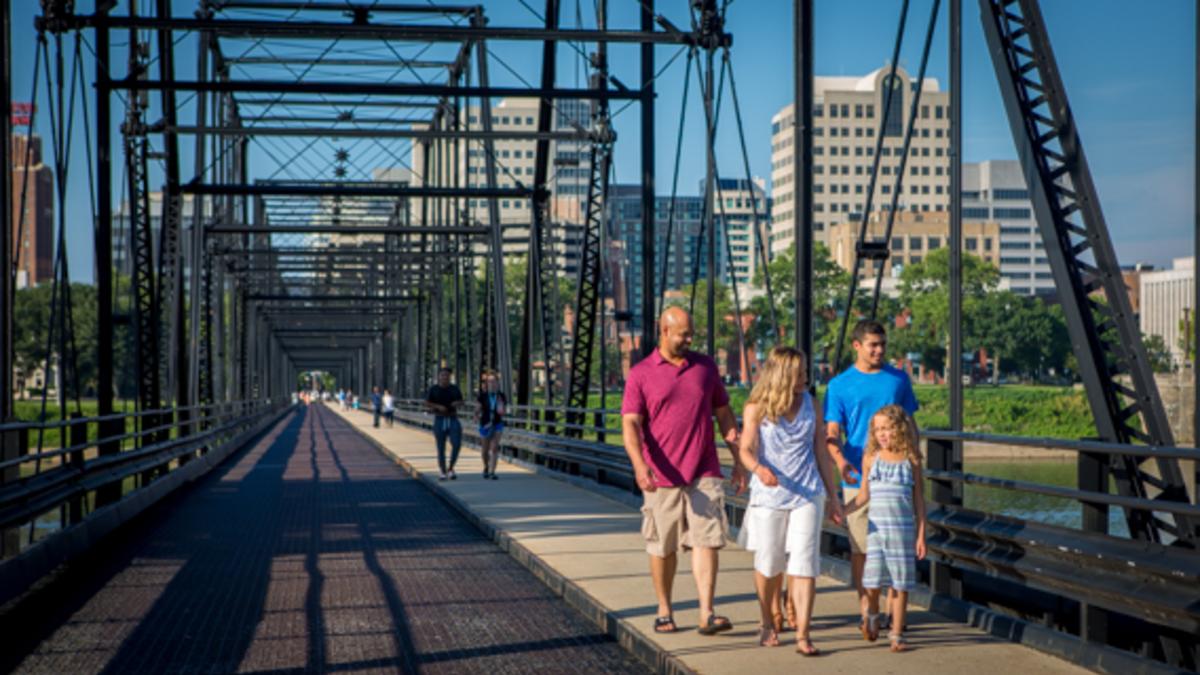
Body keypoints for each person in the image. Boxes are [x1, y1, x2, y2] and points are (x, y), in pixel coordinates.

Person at [621, 306, 745, 637]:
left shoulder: (705, 367)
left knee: (708, 540)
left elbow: (724, 413)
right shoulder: (642, 373)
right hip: (661, 475)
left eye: (691, 333)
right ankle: (665, 609)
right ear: (664, 331)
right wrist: (639, 464)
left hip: (704, 469)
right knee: (663, 546)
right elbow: (631, 424)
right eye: (683, 334)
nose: (689, 339)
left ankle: (707, 612)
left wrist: (738, 459)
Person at [737, 346, 844, 654]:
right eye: (800, 373)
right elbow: (745, 449)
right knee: (769, 563)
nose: (806, 378)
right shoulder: (757, 407)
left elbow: (821, 452)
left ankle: (803, 635)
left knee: (805, 564)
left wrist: (833, 497)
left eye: (806, 372)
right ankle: (767, 622)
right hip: (769, 495)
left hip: (808, 494)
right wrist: (758, 469)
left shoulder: (812, 403)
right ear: (783, 375)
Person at [824, 319, 918, 635]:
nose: (879, 350)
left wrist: (916, 460)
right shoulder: (839, 384)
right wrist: (839, 461)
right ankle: (867, 609)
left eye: (882, 344)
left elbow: (910, 423)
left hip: (896, 476)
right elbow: (832, 431)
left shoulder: (898, 380)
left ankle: (895, 618)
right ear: (857, 346)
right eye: (873, 345)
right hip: (858, 477)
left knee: (896, 551)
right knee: (861, 549)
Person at [845, 405, 926, 652]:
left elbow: (919, 500)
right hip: (877, 532)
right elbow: (863, 496)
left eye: (887, 428)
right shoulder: (871, 458)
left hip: (902, 532)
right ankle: (872, 616)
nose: (882, 434)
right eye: (878, 429)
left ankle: (897, 634)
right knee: (871, 582)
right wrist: (841, 509)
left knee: (900, 584)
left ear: (899, 429)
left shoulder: (910, 459)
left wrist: (921, 536)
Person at [426, 368, 465, 480]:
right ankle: (443, 471)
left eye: (447, 375)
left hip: (453, 418)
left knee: (456, 444)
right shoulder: (434, 389)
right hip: (439, 419)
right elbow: (427, 403)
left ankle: (451, 468)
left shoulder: (454, 389)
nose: (444, 377)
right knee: (441, 447)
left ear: (450, 377)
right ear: (439, 377)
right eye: (442, 375)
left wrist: (456, 403)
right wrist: (438, 407)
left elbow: (462, 401)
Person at [476, 370, 507, 480]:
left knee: (494, 448)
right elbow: (478, 409)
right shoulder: (483, 395)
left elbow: (502, 412)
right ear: (486, 384)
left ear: (498, 383)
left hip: (497, 424)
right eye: (489, 382)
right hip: (485, 424)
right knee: (485, 451)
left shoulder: (501, 396)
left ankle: (492, 472)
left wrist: (500, 404)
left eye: (494, 381)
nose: (492, 384)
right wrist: (476, 414)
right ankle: (486, 466)